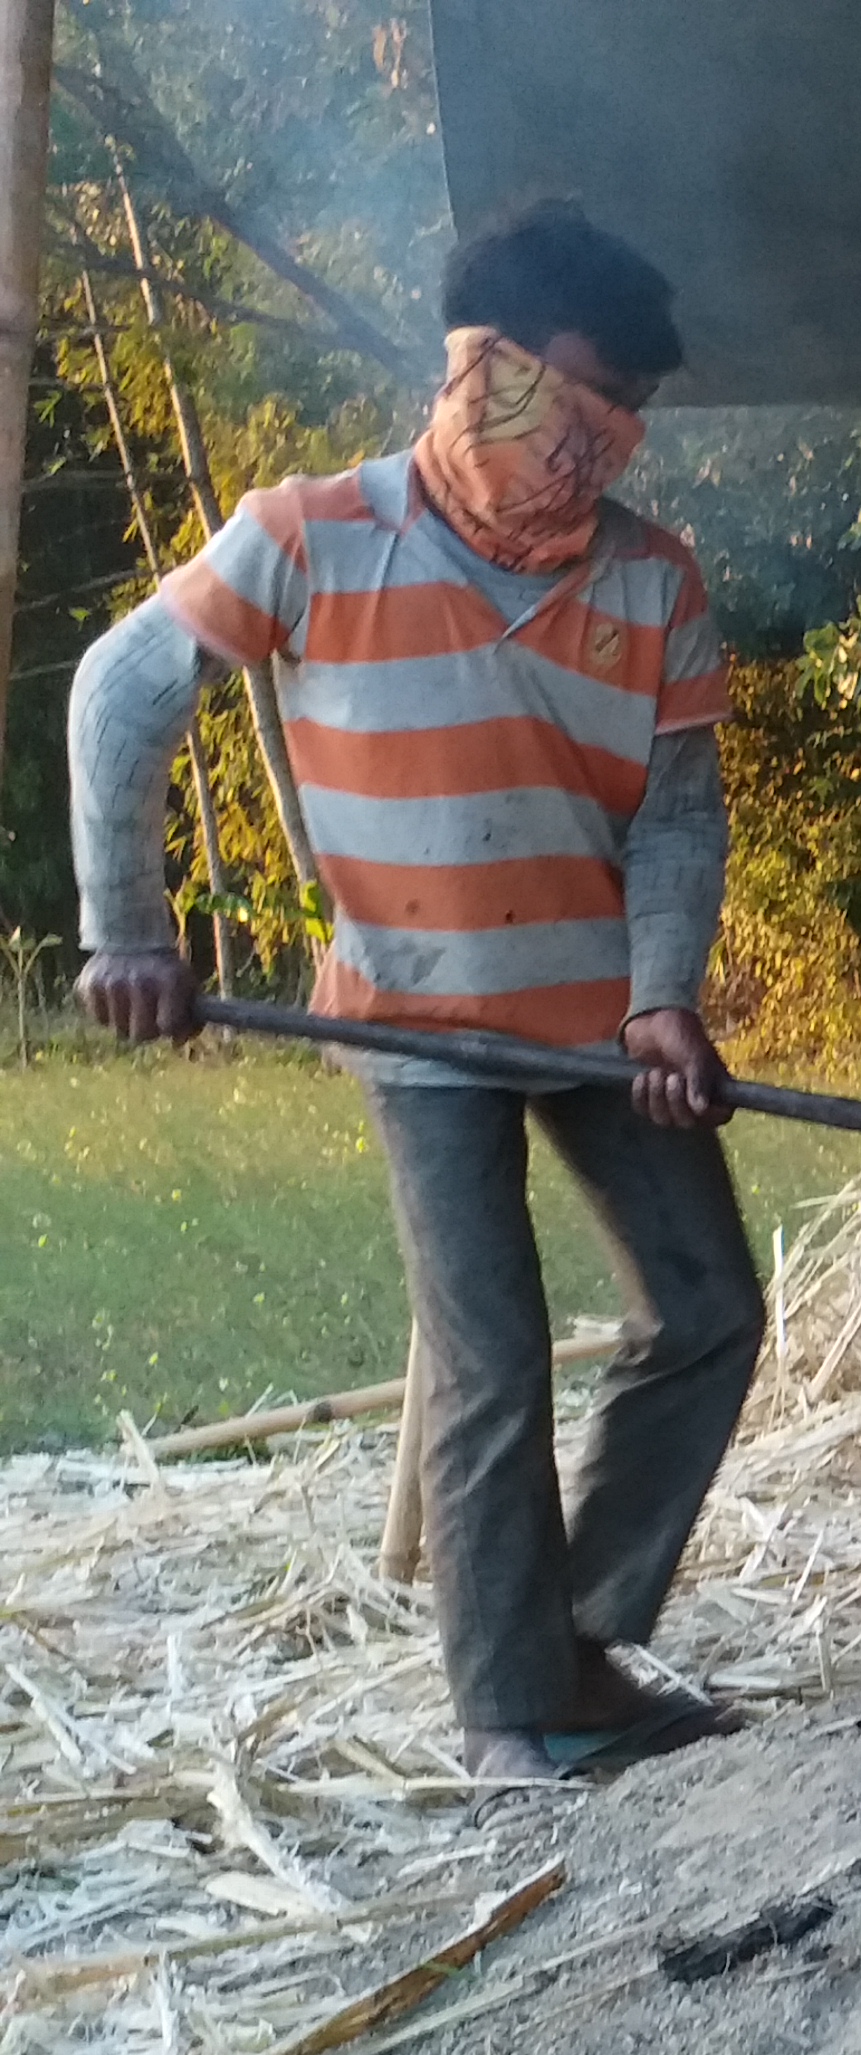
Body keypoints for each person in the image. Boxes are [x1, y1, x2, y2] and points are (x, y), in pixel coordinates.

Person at [71, 200, 760, 1783]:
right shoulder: (311, 533)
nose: (601, 440)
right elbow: (118, 694)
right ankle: (513, 1708)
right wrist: (128, 928)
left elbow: (676, 811)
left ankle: (575, 1635)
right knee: (491, 1352)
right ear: (483, 365)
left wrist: (665, 998)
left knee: (712, 1307)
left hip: (601, 1018)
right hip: (411, 1020)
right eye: (580, 396)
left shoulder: (654, 582)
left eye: (629, 416)